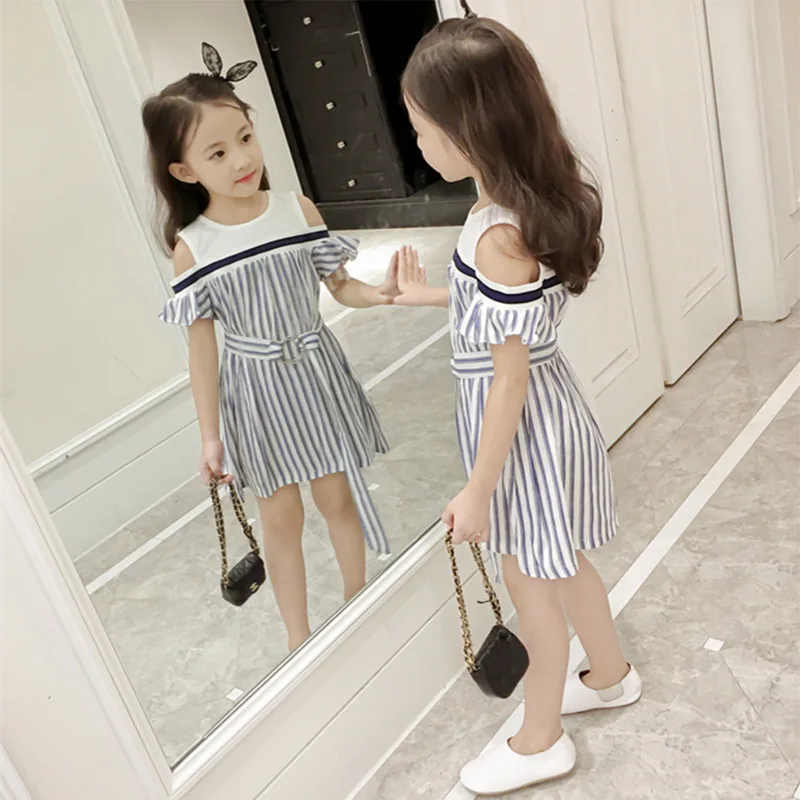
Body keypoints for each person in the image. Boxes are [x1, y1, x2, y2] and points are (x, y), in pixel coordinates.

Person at [395, 17, 642, 795]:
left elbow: (508, 378)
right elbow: (505, 312)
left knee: (530, 584)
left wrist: (479, 488)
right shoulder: (505, 211)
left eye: (423, 129)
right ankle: (609, 673)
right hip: (543, 415)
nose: (418, 145)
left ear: (467, 128)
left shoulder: (498, 232)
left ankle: (540, 740)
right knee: (561, 562)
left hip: (523, 433)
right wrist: (427, 295)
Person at [142, 48, 400, 652]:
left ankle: (358, 603)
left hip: (316, 373)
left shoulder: (295, 210)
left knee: (337, 498)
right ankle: (298, 640)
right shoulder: (194, 247)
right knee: (281, 519)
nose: (242, 160)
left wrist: (380, 293)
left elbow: (340, 286)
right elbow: (202, 352)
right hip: (255, 391)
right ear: (183, 171)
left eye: (245, 138)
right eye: (217, 153)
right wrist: (210, 437)